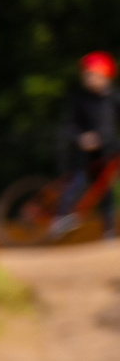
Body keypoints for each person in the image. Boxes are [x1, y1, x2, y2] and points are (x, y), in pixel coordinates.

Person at [51, 52, 118, 239]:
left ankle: (109, 230)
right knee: (78, 182)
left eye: (92, 74)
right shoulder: (80, 99)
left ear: (105, 75)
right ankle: (61, 218)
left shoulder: (113, 98)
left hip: (107, 150)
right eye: (86, 74)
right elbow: (69, 125)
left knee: (105, 189)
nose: (88, 78)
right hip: (84, 153)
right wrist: (81, 137)